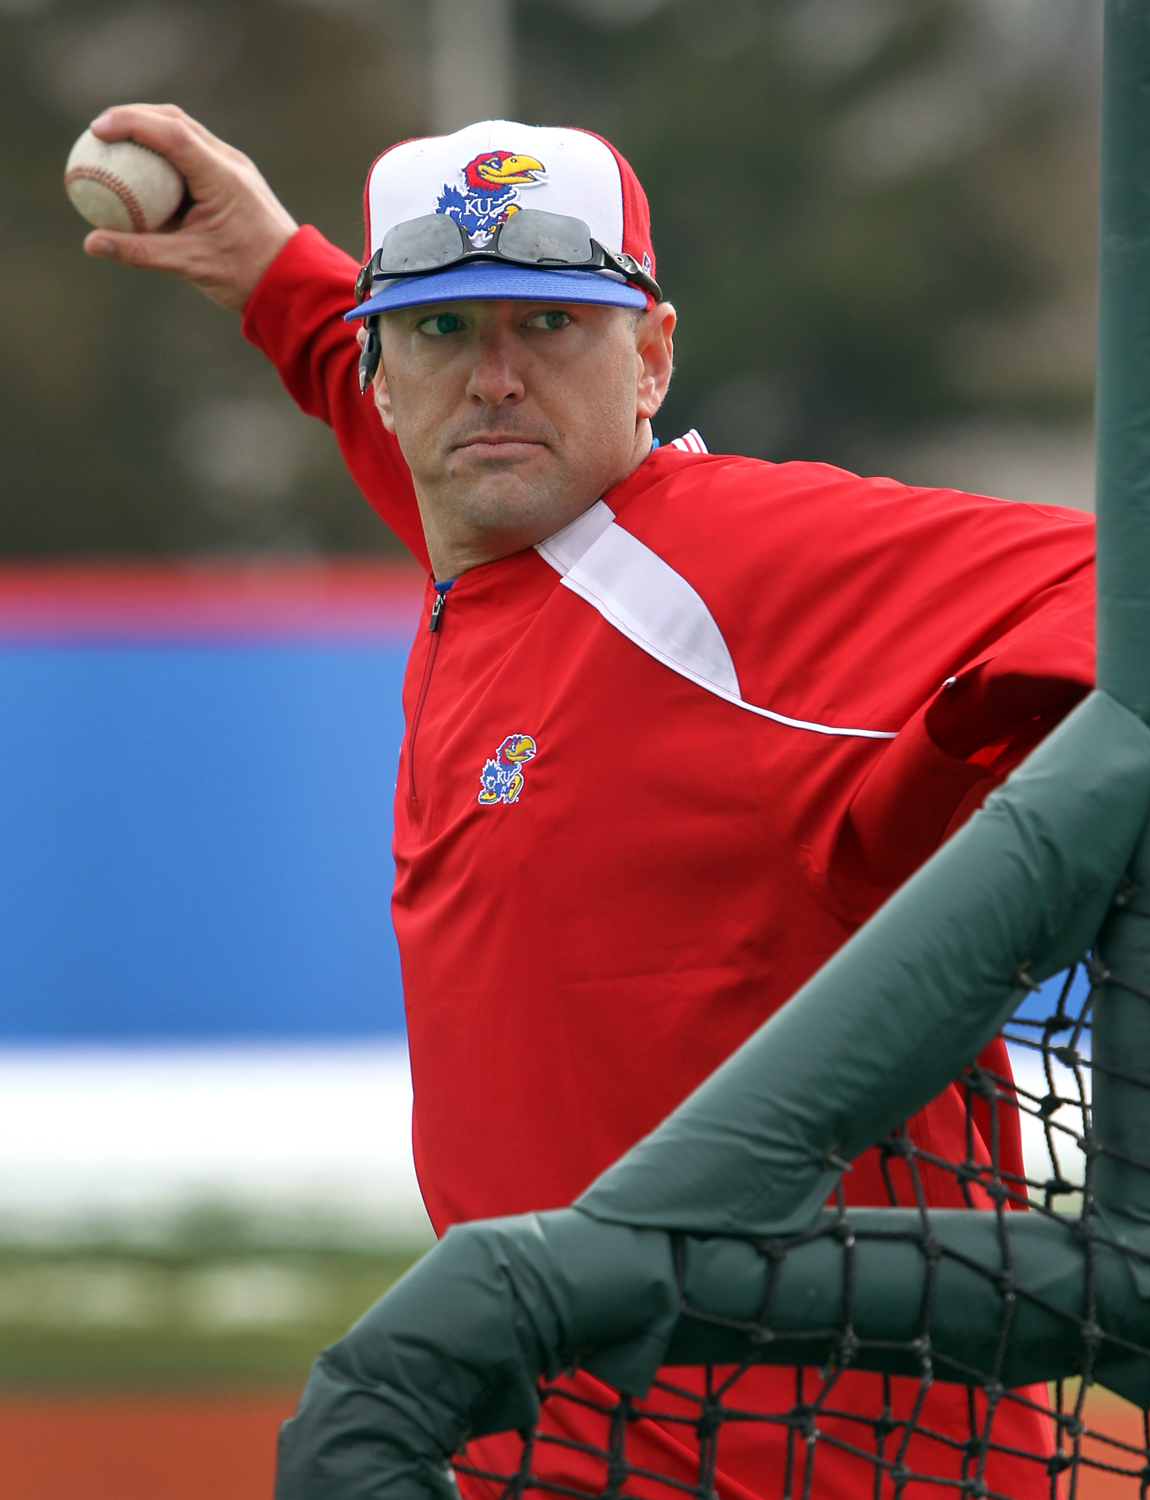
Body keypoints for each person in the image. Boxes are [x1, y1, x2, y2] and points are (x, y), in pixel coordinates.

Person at [83, 104, 1095, 1499]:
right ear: (380, 372)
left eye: (551, 324)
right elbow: (443, 444)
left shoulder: (736, 571)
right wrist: (271, 271)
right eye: (441, 328)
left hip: (819, 1469)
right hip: (559, 1448)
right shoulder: (501, 544)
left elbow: (1148, 587)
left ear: (652, 357)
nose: (494, 378)